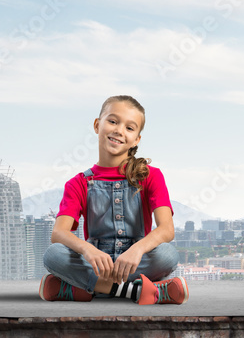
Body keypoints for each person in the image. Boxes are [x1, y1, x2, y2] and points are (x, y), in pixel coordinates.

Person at [39, 95, 188, 304]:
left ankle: (85, 289)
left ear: (137, 139)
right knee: (53, 255)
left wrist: (137, 250)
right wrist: (87, 249)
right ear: (97, 125)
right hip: (96, 262)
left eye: (130, 128)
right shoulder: (79, 183)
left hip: (135, 262)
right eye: (113, 121)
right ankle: (136, 292)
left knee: (167, 255)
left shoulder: (150, 176)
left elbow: (167, 230)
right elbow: (59, 233)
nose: (119, 130)